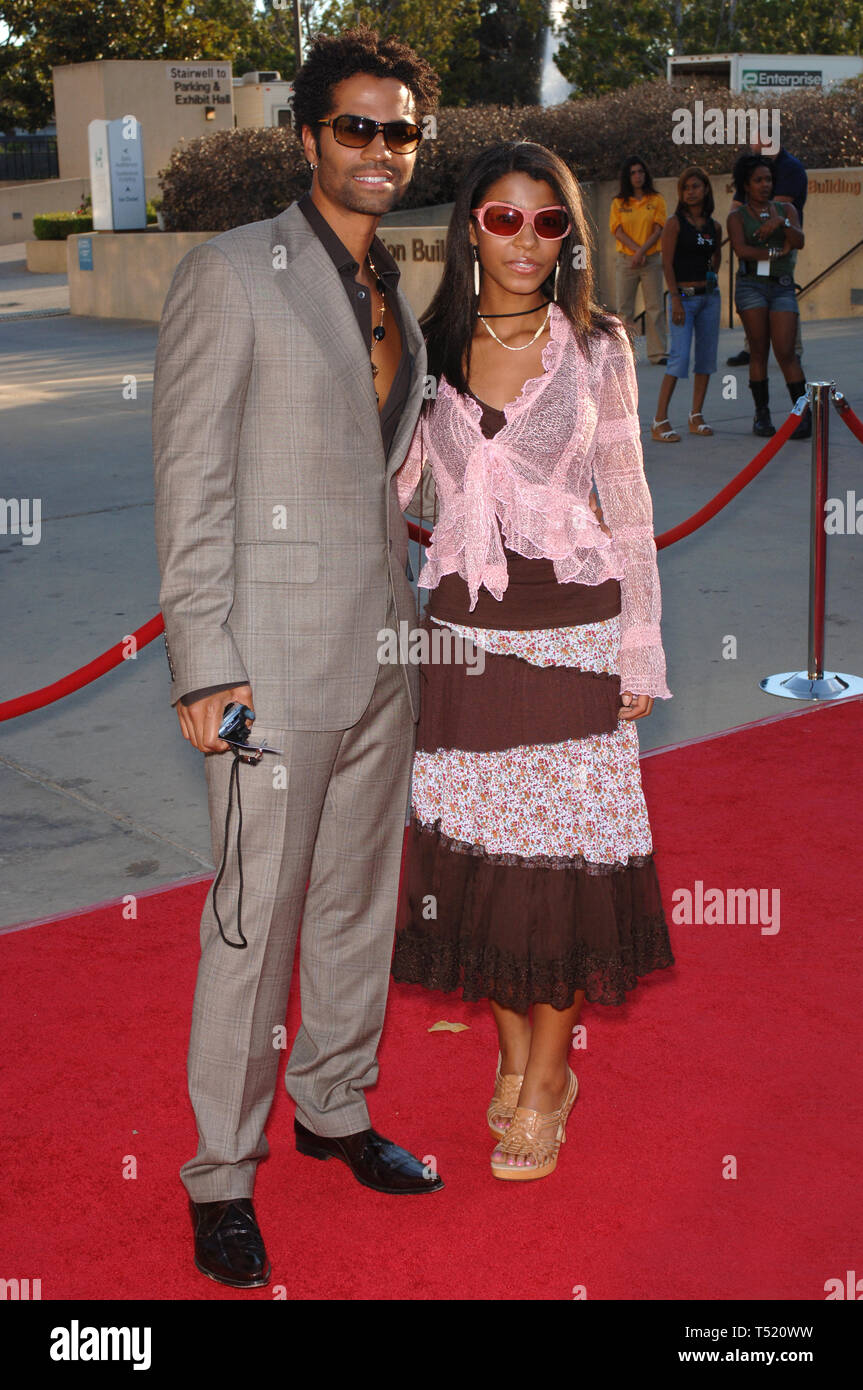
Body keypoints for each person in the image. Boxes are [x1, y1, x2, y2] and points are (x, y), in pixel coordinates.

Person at [152, 26, 444, 1292]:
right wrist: (204, 663)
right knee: (248, 921)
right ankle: (220, 1172)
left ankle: (331, 1105)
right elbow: (191, 482)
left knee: (353, 899)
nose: (380, 150)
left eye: (400, 131)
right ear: (309, 137)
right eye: (356, 127)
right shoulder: (234, 271)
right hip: (266, 662)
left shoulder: (391, 287)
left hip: (384, 645)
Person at [392, 141, 675, 1183]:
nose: (524, 240)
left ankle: (547, 1078)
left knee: (555, 871)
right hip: (461, 639)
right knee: (485, 866)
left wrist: (639, 642)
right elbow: (398, 484)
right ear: (470, 226)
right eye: (502, 219)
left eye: (546, 220)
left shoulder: (597, 345)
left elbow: (628, 503)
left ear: (570, 235)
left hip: (572, 634)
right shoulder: (430, 348)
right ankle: (515, 1056)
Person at [726, 153, 809, 440]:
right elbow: (742, 250)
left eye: (769, 179)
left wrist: (781, 225)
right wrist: (777, 252)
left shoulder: (786, 209)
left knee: (786, 351)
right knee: (758, 349)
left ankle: (803, 414)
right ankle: (762, 416)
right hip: (751, 286)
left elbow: (799, 241)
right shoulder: (737, 216)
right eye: (758, 180)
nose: (765, 185)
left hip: (783, 286)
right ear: (746, 185)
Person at [652, 166, 722, 443]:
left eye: (696, 186)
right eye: (686, 187)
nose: (691, 192)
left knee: (706, 359)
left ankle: (696, 416)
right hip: (684, 298)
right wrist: (676, 299)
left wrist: (711, 278)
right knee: (679, 358)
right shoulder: (674, 223)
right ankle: (659, 420)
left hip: (709, 298)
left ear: (706, 189)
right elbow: (666, 263)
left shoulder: (714, 226)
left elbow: (716, 256)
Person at [727, 142, 807, 367]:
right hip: (756, 264)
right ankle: (750, 347)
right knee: (755, 305)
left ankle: (793, 349)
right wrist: (742, 223)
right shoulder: (753, 165)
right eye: (758, 180)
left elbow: (781, 202)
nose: (755, 146)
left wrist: (776, 222)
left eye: (767, 180)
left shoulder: (790, 167)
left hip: (784, 243)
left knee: (784, 299)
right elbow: (738, 204)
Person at [609, 155, 668, 365]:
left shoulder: (656, 200)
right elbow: (617, 230)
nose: (637, 176)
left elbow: (658, 229)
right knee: (624, 310)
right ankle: (624, 355)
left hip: (650, 260)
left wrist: (641, 252)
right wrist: (636, 252)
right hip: (627, 261)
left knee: (655, 307)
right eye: (633, 172)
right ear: (627, 176)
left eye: (641, 172)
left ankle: (658, 353)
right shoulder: (618, 202)